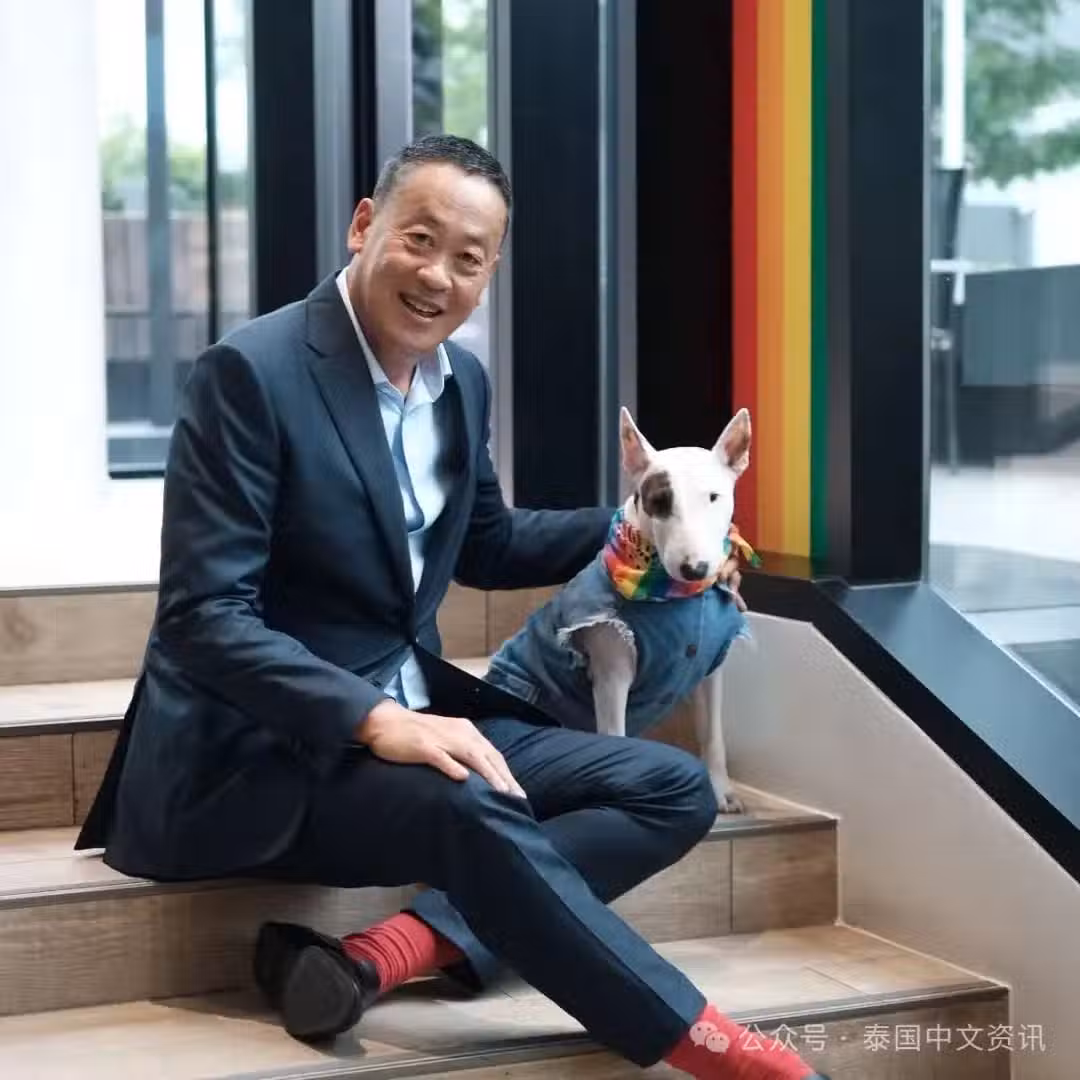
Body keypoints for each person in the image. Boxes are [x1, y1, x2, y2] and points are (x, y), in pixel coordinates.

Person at [77, 135, 826, 1080]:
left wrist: (641, 524)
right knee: (471, 803)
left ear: (489, 274)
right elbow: (203, 618)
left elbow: (484, 543)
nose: (438, 276)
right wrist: (376, 719)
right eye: (419, 239)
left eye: (468, 258)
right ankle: (719, 1049)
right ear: (364, 226)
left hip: (411, 716)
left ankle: (384, 953)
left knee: (671, 787)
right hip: (264, 751)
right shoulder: (251, 373)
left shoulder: (459, 381)